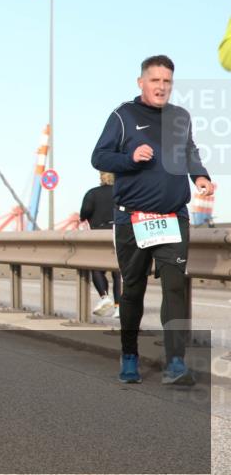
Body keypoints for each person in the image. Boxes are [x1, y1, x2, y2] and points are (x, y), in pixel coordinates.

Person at [91, 54, 214, 386]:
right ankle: (129, 355)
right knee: (133, 289)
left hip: (174, 216)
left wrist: (199, 177)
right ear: (141, 82)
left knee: (174, 288)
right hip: (134, 219)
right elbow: (98, 156)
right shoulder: (123, 116)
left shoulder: (180, 117)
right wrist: (129, 157)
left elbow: (189, 151)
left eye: (167, 81)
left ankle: (175, 361)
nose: (161, 87)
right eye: (155, 80)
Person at [80, 172, 120, 317]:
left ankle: (104, 297)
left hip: (99, 235)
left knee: (96, 267)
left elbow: (84, 213)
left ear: (101, 177)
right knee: (118, 272)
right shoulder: (123, 192)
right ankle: (119, 307)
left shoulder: (92, 193)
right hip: (120, 232)